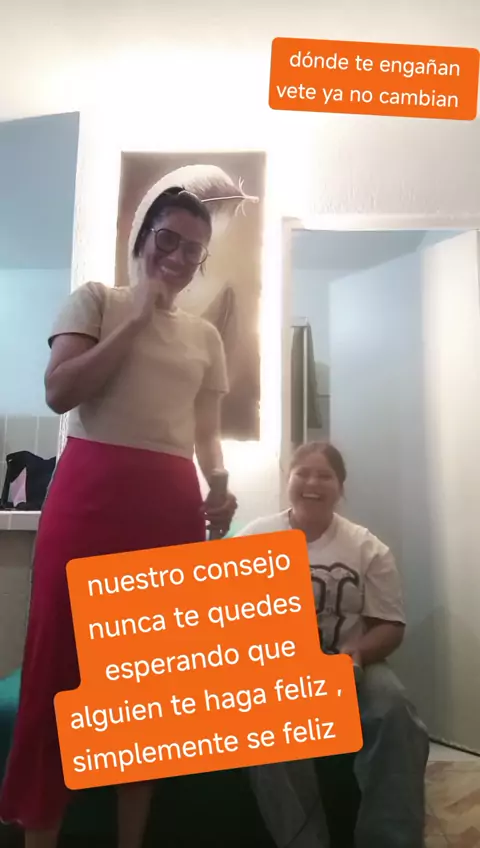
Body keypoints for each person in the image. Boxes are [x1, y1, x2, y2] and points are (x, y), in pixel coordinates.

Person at [0, 185, 238, 848]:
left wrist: (219, 483)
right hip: (88, 495)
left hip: (170, 505)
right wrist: (135, 321)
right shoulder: (96, 301)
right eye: (169, 239)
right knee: (57, 673)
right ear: (143, 236)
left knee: (146, 686)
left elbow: (205, 432)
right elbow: (59, 391)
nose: (180, 257)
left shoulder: (205, 336)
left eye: (194, 250)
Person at [236, 441, 429, 848]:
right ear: (287, 480)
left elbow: (390, 625)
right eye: (302, 473)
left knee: (395, 710)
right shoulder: (254, 537)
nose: (312, 483)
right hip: (277, 670)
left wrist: (355, 655)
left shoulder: (367, 548)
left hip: (351, 664)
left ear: (340, 486)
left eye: (324, 475)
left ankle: (390, 839)